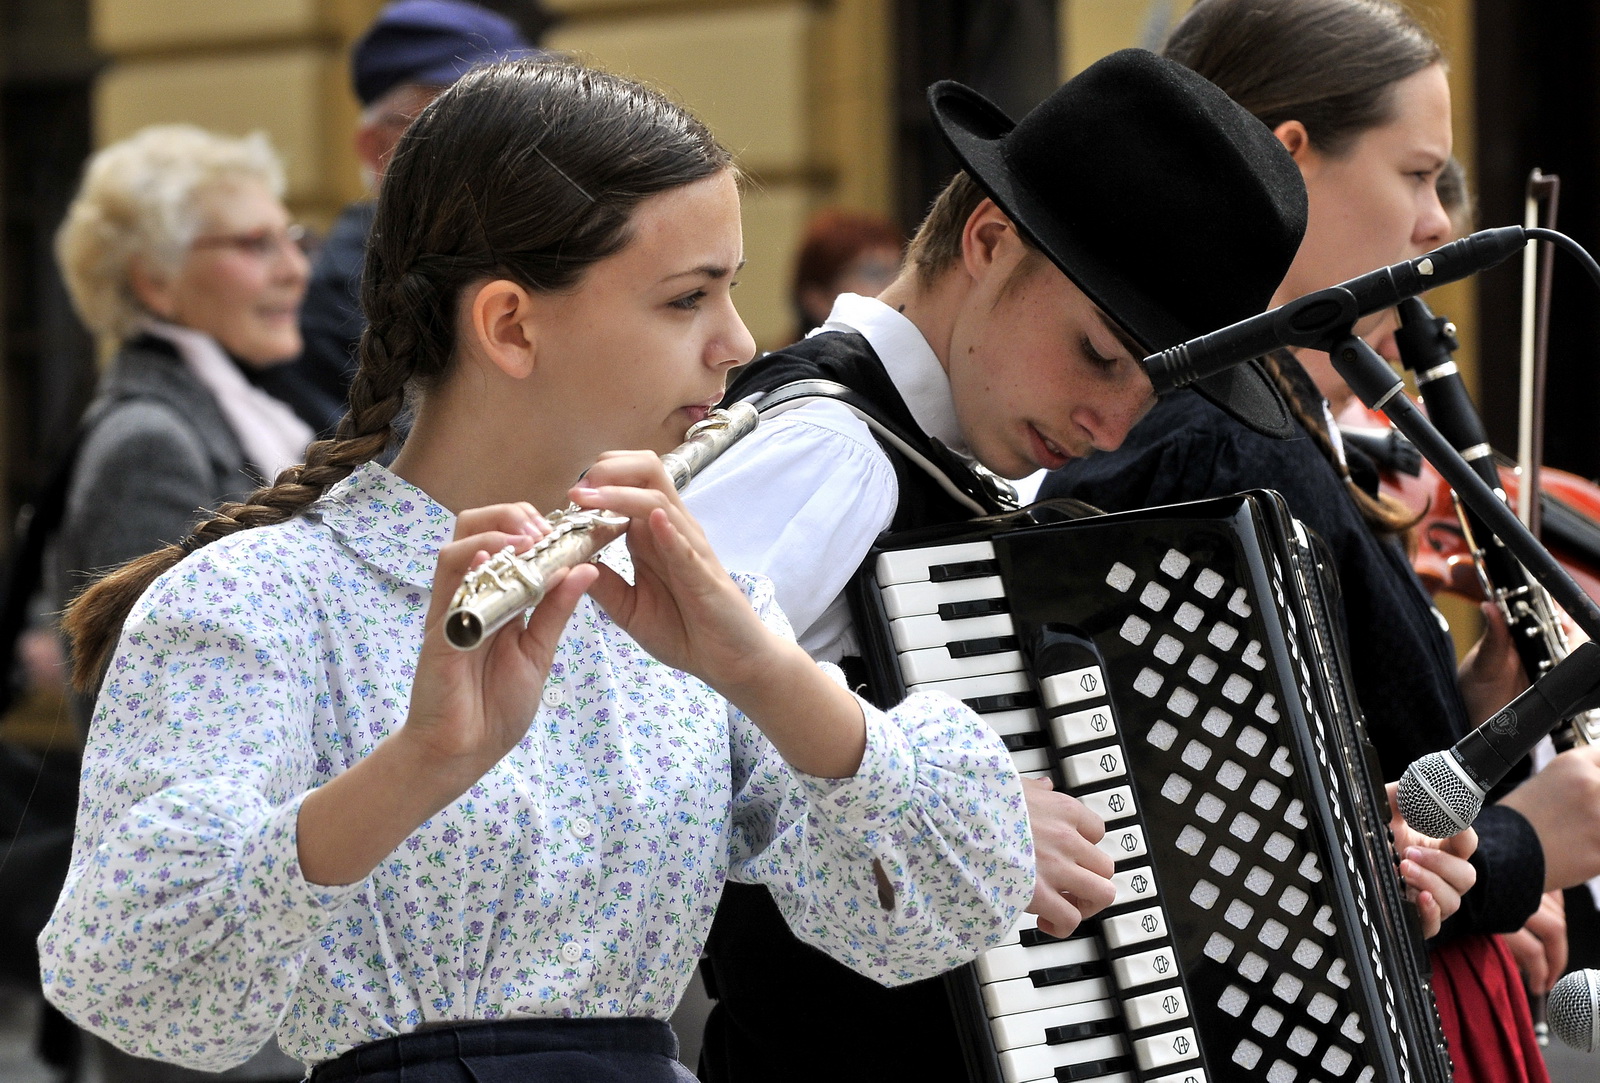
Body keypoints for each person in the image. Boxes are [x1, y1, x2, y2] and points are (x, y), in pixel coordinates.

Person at [36, 60, 1068, 1082]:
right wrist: (419, 766)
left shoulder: (675, 598)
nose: (738, 344)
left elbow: (941, 914)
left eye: (732, 290)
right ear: (510, 326)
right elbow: (136, 980)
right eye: (684, 299)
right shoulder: (262, 597)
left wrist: (769, 672)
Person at [683, 47, 1471, 1083]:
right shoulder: (834, 449)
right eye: (1099, 355)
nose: (1108, 427)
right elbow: (627, 736)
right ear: (988, 238)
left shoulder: (957, 465)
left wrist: (1320, 855)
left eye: (1148, 394)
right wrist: (953, 804)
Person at [1043, 2, 1600, 1080]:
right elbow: (1235, 854)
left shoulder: (1264, 407)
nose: (1441, 221)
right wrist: (1518, 842)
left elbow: (1346, 753)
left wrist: (1478, 714)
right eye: (1418, 174)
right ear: (1286, 158)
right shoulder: (1216, 440)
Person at [47, 123, 315, 1081]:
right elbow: (156, 704)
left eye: (292, 237)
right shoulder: (154, 438)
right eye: (253, 244)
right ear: (154, 282)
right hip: (206, 960)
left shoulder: (241, 412)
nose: (292, 267)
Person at [253, 0, 540, 436]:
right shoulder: (336, 300)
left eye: (517, 117)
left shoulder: (524, 253)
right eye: (466, 121)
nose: (508, 145)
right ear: (377, 148)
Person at [790, 207, 902, 340]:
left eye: (901, 272)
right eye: (874, 273)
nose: (895, 285)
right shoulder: (783, 360)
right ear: (817, 298)